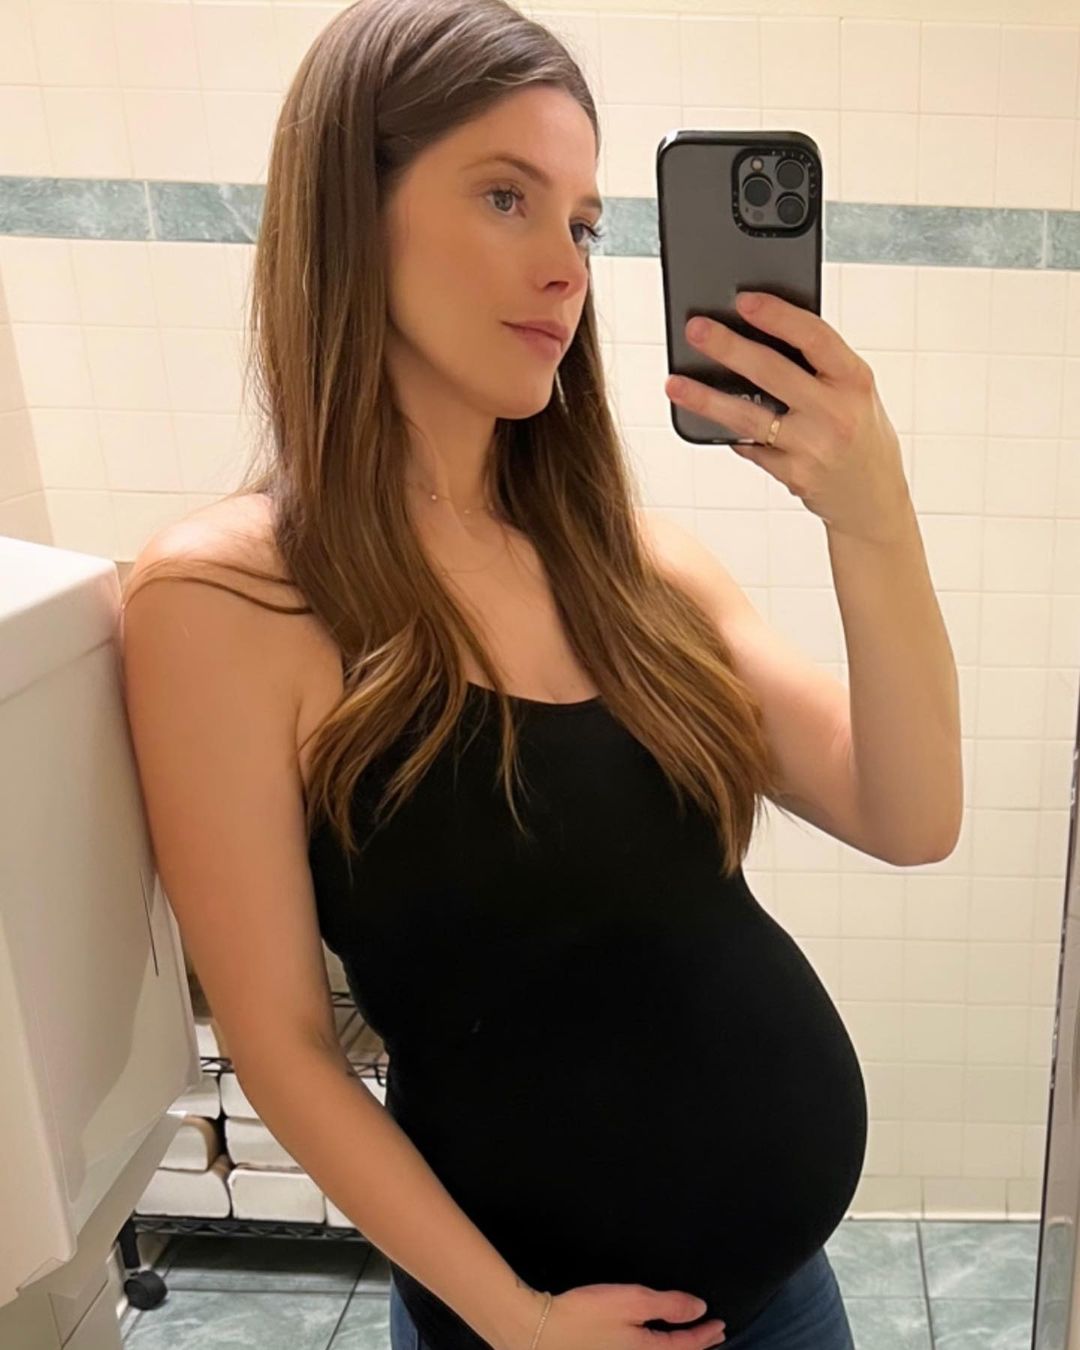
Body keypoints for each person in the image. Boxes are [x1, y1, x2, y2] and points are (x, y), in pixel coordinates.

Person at [119, 1, 867, 1348]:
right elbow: (283, 1043)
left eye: (582, 224)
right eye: (507, 196)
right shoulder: (221, 601)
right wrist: (513, 1319)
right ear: (352, 215)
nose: (566, 268)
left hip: (789, 1301)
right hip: (534, 1326)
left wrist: (874, 520)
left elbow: (909, 811)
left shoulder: (631, 558)